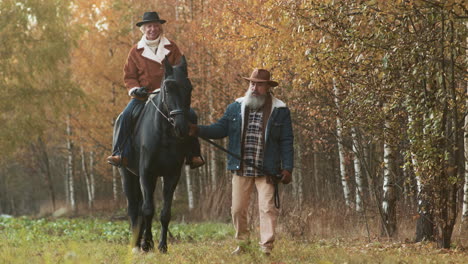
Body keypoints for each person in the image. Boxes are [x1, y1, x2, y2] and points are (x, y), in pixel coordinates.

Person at [189, 68, 294, 255]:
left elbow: (286, 140)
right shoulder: (235, 107)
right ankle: (243, 245)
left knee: (267, 209)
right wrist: (198, 130)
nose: (254, 87)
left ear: (268, 87)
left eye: (259, 84)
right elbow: (220, 129)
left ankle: (266, 248)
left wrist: (287, 168)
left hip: (268, 169)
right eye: (252, 83)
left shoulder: (280, 110)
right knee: (237, 210)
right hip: (241, 167)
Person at [107, 11, 204, 169]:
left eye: (156, 26)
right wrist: (135, 89)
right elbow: (129, 75)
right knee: (124, 117)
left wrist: (176, 87)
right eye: (149, 26)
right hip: (145, 96)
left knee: (191, 115)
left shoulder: (172, 47)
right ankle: (120, 153)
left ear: (160, 28)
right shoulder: (135, 51)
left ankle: (193, 154)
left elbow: (180, 72)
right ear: (143, 29)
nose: (153, 29)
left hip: (171, 96)